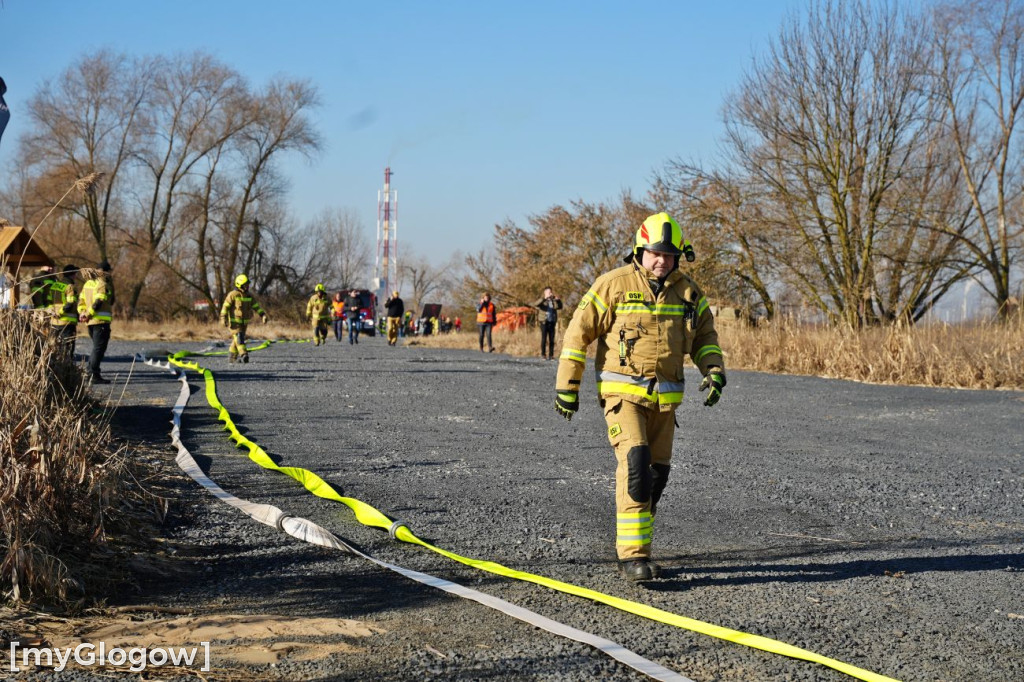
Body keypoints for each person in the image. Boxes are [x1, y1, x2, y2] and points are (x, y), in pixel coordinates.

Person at [554, 212, 725, 582]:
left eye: (668, 254)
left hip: (666, 403)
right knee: (636, 464)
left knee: (656, 477)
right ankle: (633, 557)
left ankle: (639, 548)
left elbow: (705, 338)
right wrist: (567, 387)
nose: (661, 260)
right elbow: (576, 334)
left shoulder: (689, 293)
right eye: (654, 253)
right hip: (622, 398)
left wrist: (714, 371)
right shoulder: (613, 285)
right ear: (639, 250)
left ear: (679, 255)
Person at [77, 260, 114, 383]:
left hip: (90, 322)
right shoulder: (102, 284)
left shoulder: (88, 283)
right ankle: (93, 374)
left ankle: (92, 373)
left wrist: (82, 313)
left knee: (96, 348)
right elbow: (99, 302)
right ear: (105, 272)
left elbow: (81, 301)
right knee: (98, 349)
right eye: (109, 271)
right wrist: (88, 314)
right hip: (100, 321)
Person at [220, 274, 268, 363]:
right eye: (245, 284)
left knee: (236, 341)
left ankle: (232, 358)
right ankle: (244, 354)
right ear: (240, 285)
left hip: (244, 323)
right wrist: (223, 318)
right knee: (239, 338)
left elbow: (256, 307)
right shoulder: (233, 295)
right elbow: (225, 307)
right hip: (234, 323)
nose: (247, 286)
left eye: (247, 284)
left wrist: (263, 315)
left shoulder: (249, 296)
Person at [48, 264, 79, 361]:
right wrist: (60, 313)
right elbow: (70, 304)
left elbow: (49, 302)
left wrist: (52, 313)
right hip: (66, 323)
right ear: (73, 275)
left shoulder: (54, 285)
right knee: (67, 349)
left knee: (54, 347)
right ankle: (66, 370)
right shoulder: (70, 287)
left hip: (53, 322)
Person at [534, 286, 563, 360]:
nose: (550, 293)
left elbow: (559, 307)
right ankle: (543, 354)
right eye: (549, 292)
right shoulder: (542, 300)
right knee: (544, 338)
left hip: (552, 322)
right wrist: (545, 298)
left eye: (551, 292)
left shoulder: (553, 301)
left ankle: (551, 355)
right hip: (544, 322)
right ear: (545, 292)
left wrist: (558, 300)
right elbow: (536, 304)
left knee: (552, 339)